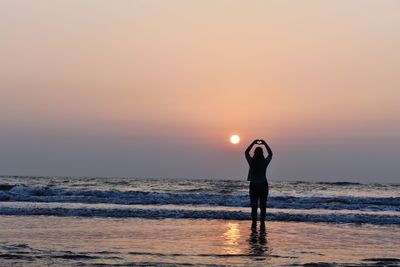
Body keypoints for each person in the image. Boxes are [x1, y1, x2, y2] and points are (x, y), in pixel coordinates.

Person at [245, 139, 273, 226]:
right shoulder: (264, 162)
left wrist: (253, 143)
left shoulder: (251, 162)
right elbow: (270, 154)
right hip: (263, 185)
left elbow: (246, 152)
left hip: (254, 185)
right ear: (262, 153)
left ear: (255, 153)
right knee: (263, 206)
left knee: (254, 207)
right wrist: (265, 143)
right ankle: (262, 223)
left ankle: (254, 223)